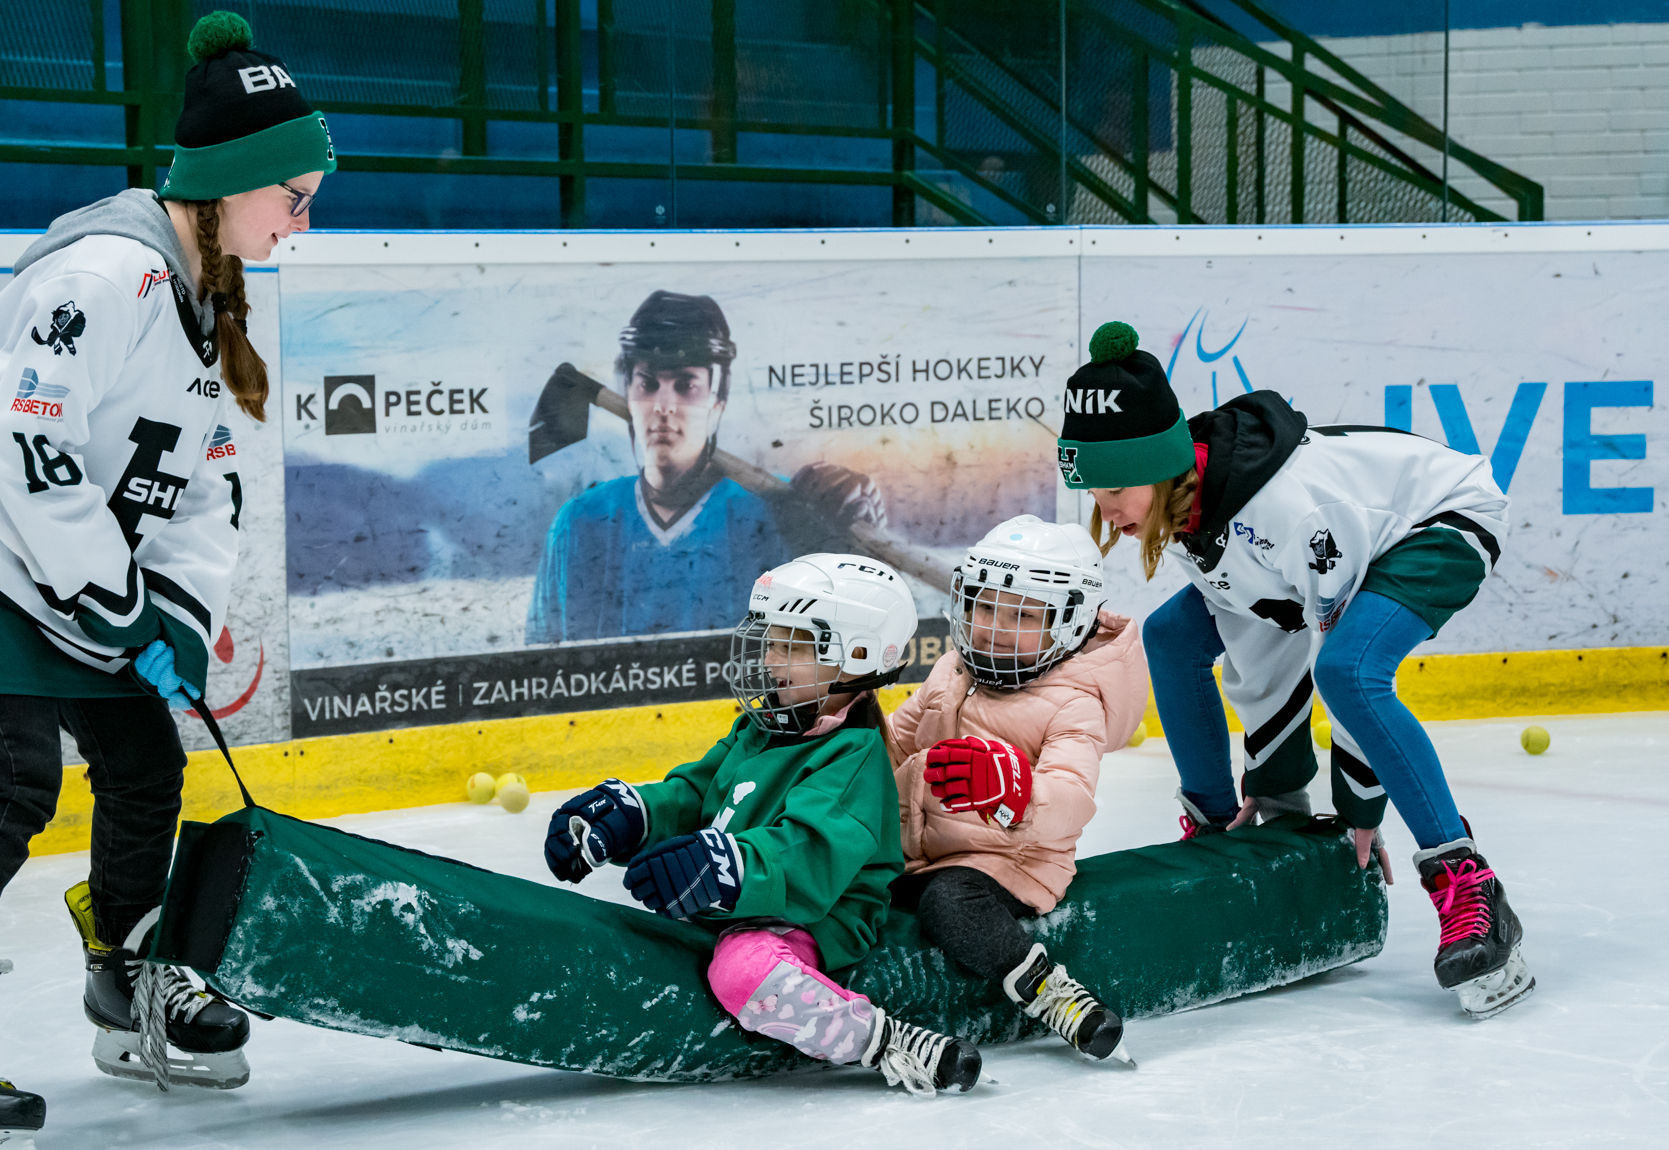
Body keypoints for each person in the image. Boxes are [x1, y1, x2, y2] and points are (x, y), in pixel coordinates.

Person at [0, 11, 334, 1150]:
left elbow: (197, 492)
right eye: (293, 195)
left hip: (59, 570)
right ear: (226, 186)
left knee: (143, 758)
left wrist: (169, 614)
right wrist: (109, 596)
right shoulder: (105, 275)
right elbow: (24, 445)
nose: (301, 221)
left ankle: (127, 977)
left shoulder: (206, 304)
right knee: (13, 773)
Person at [1059, 320, 1532, 1020]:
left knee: (1349, 670)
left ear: (1160, 466)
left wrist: (1357, 813)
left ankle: (1468, 882)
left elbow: (1330, 659)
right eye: (1094, 493)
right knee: (1171, 636)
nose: (1106, 511)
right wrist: (1279, 801)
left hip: (1438, 521)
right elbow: (1263, 636)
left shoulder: (1288, 511)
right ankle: (1217, 832)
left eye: (1115, 490)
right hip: (1329, 552)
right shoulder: (1186, 502)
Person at [543, 554, 984, 1095]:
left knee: (741, 973)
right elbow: (695, 793)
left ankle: (885, 1040)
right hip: (742, 897)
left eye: (792, 646)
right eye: (770, 640)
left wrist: (724, 870)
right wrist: (629, 817)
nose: (771, 660)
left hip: (813, 915)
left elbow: (806, 858)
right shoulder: (762, 727)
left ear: (856, 657)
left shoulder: (853, 758)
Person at [885, 516, 1147, 1062]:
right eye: (983, 605)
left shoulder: (1075, 701)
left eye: (1023, 614)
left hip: (1011, 858)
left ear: (1070, 621)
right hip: (921, 846)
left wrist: (1017, 793)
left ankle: (1052, 994)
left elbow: (1071, 798)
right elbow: (897, 740)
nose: (995, 627)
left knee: (949, 903)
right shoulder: (953, 668)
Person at [525, 291, 889, 643]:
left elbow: (852, 643)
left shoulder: (789, 509)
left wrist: (852, 559)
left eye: (686, 385)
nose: (663, 405)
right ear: (628, 393)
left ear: (718, 399)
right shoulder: (580, 523)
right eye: (648, 383)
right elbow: (542, 664)